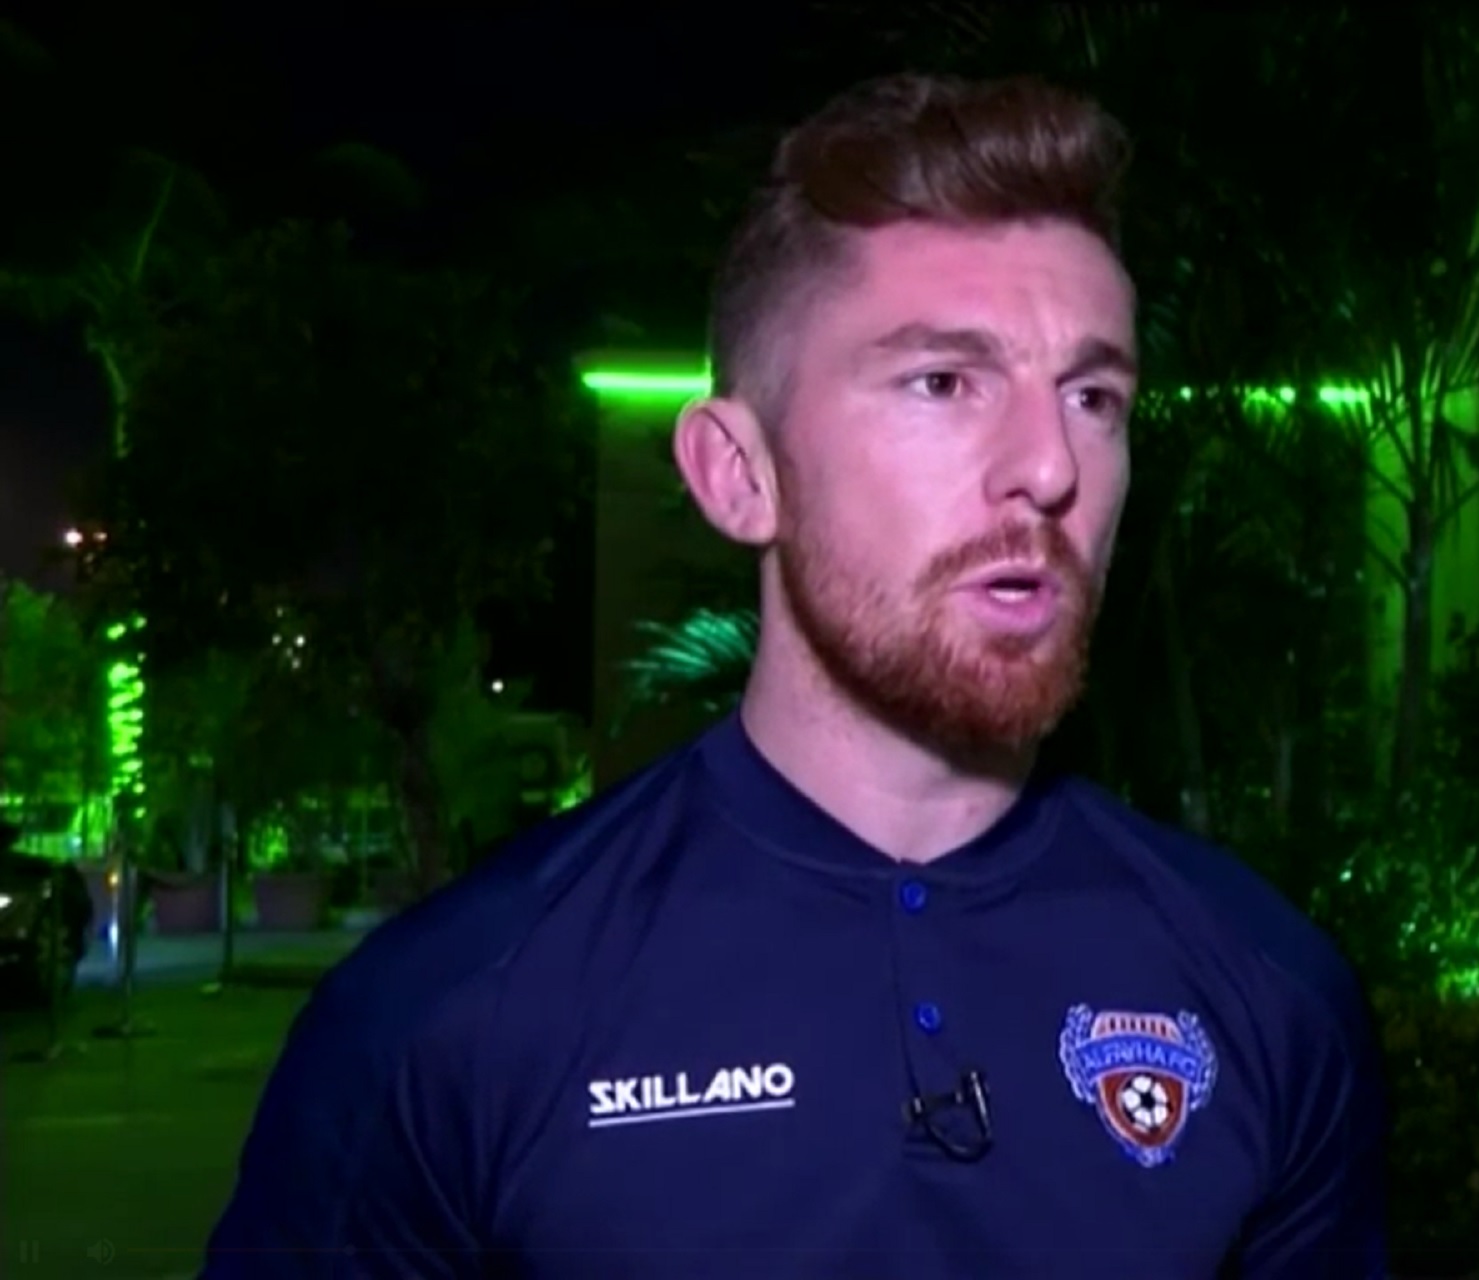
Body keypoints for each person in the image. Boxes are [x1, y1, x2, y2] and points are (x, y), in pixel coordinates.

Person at [202, 73, 1385, 1279]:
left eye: (1092, 395)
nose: (1048, 466)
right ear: (737, 474)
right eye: (942, 382)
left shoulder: (1267, 992)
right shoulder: (444, 1021)